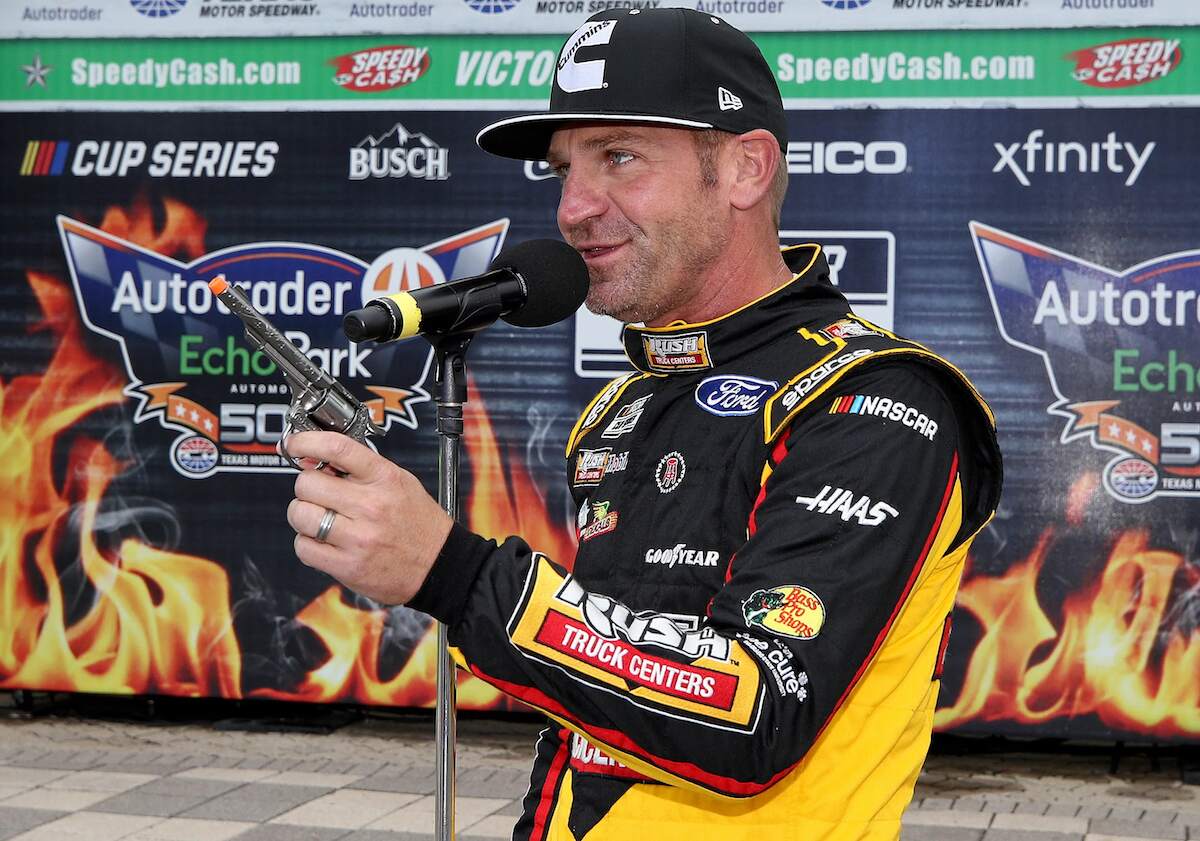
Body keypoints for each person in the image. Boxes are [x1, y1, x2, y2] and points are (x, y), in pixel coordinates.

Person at [283, 8, 1003, 840]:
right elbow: (596, 713)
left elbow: (755, 712)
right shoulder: (623, 404)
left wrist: (455, 574)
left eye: (619, 157)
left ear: (744, 168)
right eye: (562, 172)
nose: (575, 209)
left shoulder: (875, 402)